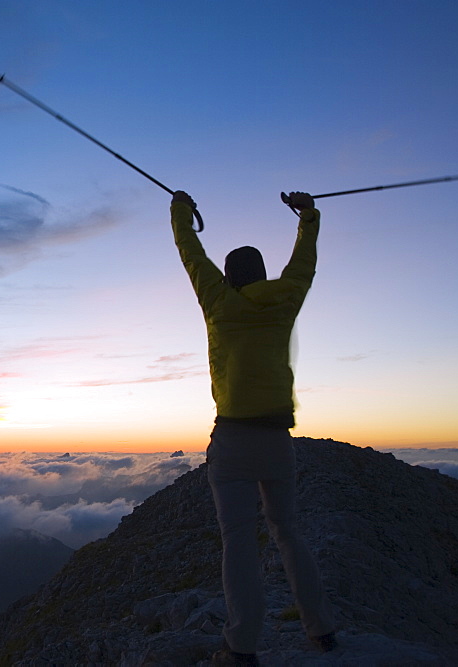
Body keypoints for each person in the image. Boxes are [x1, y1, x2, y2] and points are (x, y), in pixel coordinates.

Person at [169, 190, 337, 666]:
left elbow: (190, 252)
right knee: (288, 531)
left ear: (228, 276)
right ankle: (321, 629)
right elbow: (305, 262)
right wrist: (307, 214)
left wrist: (180, 208)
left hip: (233, 439)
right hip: (277, 440)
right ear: (262, 275)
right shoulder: (285, 297)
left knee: (238, 541)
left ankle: (242, 646)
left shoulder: (218, 301)